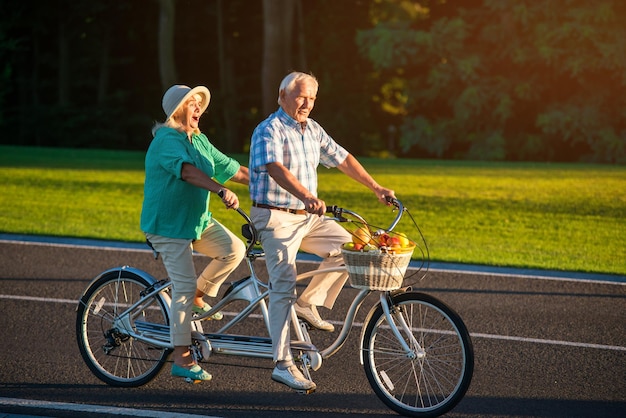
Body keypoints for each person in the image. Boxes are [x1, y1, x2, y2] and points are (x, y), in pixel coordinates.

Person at [248, 71, 396, 391]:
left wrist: (375, 187)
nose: (307, 103)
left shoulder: (313, 129)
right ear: (282, 95)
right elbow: (275, 168)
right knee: (283, 284)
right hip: (275, 217)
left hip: (308, 217)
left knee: (353, 247)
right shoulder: (268, 130)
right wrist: (306, 196)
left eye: (312, 98)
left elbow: (342, 159)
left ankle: (308, 302)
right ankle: (283, 363)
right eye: (301, 96)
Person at [140, 84, 249, 382]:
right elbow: (187, 171)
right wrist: (218, 188)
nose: (199, 107)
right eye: (192, 103)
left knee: (234, 250)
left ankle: (201, 295)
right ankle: (182, 358)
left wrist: (272, 185)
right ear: (178, 110)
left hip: (196, 222)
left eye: (200, 103)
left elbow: (234, 169)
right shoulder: (166, 139)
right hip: (168, 226)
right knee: (183, 289)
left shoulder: (199, 140)